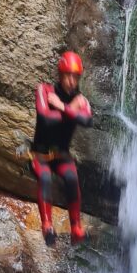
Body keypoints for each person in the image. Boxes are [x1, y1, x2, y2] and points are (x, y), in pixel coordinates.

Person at [30, 51, 93, 247]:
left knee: (72, 177)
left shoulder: (81, 100)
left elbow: (87, 120)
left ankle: (76, 229)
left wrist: (63, 107)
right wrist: (70, 109)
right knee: (46, 178)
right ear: (60, 74)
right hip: (41, 156)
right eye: (68, 75)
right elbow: (45, 119)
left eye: (75, 77)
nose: (72, 81)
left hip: (62, 156)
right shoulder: (44, 90)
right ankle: (47, 226)